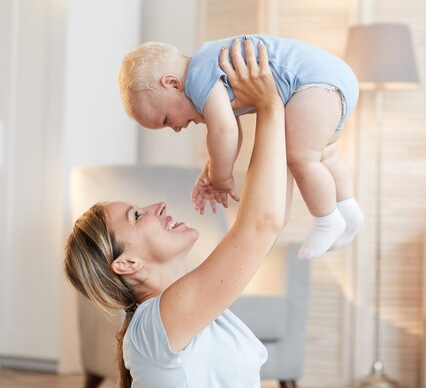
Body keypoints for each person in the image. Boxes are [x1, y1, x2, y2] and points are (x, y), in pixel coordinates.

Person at [65, 39, 287, 388]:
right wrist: (271, 105)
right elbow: (262, 224)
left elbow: (266, 219)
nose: (159, 207)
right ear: (126, 264)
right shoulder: (161, 320)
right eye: (137, 216)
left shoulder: (178, 315)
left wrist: (272, 115)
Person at [118, 35, 364, 259]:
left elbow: (224, 131)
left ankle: (326, 219)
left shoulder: (197, 77)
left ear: (172, 83)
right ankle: (349, 210)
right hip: (331, 79)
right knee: (325, 154)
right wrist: (214, 165)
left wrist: (220, 177)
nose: (176, 128)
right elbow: (230, 132)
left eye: (167, 120)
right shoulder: (208, 70)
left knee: (300, 156)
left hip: (313, 85)